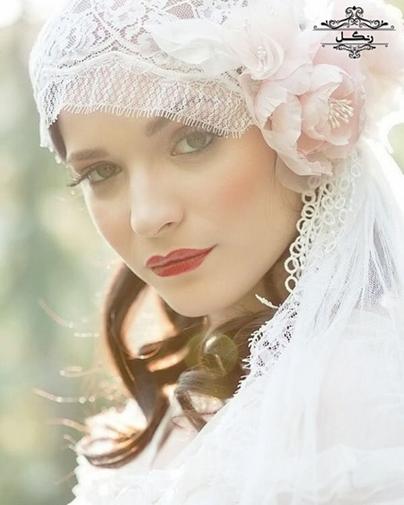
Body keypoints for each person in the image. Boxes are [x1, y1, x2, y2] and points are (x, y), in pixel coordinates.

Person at [28, 0, 404, 503]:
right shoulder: (156, 419)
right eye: (101, 172)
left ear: (297, 132)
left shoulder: (360, 388)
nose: (146, 216)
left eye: (193, 140)